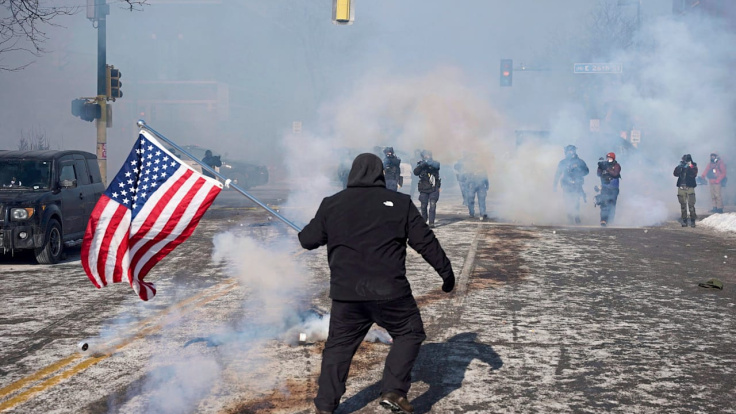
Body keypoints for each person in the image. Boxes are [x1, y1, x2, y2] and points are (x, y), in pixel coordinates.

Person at [298, 153, 455, 414]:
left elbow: (307, 240)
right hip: (390, 292)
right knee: (409, 332)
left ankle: (325, 405)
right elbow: (425, 241)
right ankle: (394, 390)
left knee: (338, 348)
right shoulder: (400, 203)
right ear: (380, 174)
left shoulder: (332, 204)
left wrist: (314, 229)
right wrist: (446, 273)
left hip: (347, 295)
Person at [553, 145, 589, 224]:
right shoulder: (563, 162)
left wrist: (579, 171)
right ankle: (569, 217)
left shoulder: (580, 161)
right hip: (566, 184)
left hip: (577, 184)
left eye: (572, 150)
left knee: (576, 200)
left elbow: (586, 171)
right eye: (569, 151)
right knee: (567, 200)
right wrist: (554, 185)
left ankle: (576, 216)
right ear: (566, 152)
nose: (571, 152)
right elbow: (558, 174)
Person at [413, 150, 442, 228]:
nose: (427, 156)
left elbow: (437, 166)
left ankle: (431, 222)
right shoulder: (421, 164)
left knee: (432, 205)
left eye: (428, 155)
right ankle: (424, 220)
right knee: (423, 205)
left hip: (433, 187)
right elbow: (415, 172)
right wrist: (421, 165)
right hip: (423, 187)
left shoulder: (435, 163)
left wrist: (429, 163)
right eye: (425, 155)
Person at [596, 152, 621, 227]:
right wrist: (600, 167)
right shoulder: (603, 165)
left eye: (610, 158)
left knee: (612, 205)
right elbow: (598, 174)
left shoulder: (616, 165)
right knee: (604, 203)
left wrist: (607, 168)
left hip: (614, 188)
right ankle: (603, 220)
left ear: (613, 159)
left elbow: (615, 174)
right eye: (607, 158)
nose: (608, 159)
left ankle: (610, 221)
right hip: (605, 187)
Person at [674, 154, 698, 227]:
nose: (684, 161)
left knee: (691, 205)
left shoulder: (693, 166)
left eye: (686, 160)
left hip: (689, 187)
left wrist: (690, 166)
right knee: (683, 205)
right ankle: (684, 220)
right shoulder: (681, 166)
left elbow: (694, 174)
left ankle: (692, 220)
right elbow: (675, 174)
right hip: (681, 187)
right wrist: (679, 167)